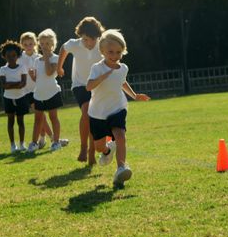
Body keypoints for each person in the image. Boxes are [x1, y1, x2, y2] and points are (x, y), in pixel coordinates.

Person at [86, 29, 150, 188]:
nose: (115, 56)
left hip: (117, 108)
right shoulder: (97, 68)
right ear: (102, 51)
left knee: (120, 136)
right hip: (98, 113)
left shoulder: (123, 68)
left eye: (118, 52)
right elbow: (88, 87)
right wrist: (102, 77)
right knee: (98, 146)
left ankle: (121, 168)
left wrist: (134, 95)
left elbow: (122, 82)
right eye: (110, 52)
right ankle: (107, 151)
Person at [57, 17, 105, 165]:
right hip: (79, 84)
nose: (88, 43)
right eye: (85, 39)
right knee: (86, 112)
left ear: (97, 37)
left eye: (92, 39)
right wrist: (59, 67)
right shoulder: (75, 44)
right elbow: (63, 49)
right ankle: (84, 148)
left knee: (94, 118)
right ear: (80, 36)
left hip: (97, 86)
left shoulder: (103, 44)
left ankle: (92, 151)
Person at [26, 29, 66, 153]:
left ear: (52, 44)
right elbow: (38, 79)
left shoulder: (56, 58)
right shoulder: (37, 60)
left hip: (52, 93)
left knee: (53, 118)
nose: (44, 46)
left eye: (47, 44)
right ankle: (34, 143)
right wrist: (32, 75)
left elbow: (49, 73)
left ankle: (56, 142)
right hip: (39, 94)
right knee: (38, 120)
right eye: (42, 44)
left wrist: (47, 57)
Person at [18, 32, 53, 150]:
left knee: (40, 115)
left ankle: (42, 139)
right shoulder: (19, 59)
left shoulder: (38, 57)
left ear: (35, 44)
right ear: (22, 45)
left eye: (31, 44)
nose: (28, 46)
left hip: (39, 89)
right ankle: (52, 137)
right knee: (41, 115)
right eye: (26, 44)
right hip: (27, 91)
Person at [0, 40, 29, 153]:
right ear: (4, 56)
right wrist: (15, 84)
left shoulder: (22, 67)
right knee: (10, 121)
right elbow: (4, 86)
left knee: (20, 121)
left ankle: (21, 144)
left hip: (21, 98)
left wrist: (11, 84)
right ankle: (12, 145)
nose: (11, 58)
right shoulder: (3, 69)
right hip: (8, 99)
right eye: (8, 56)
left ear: (18, 55)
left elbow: (23, 84)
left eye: (14, 55)